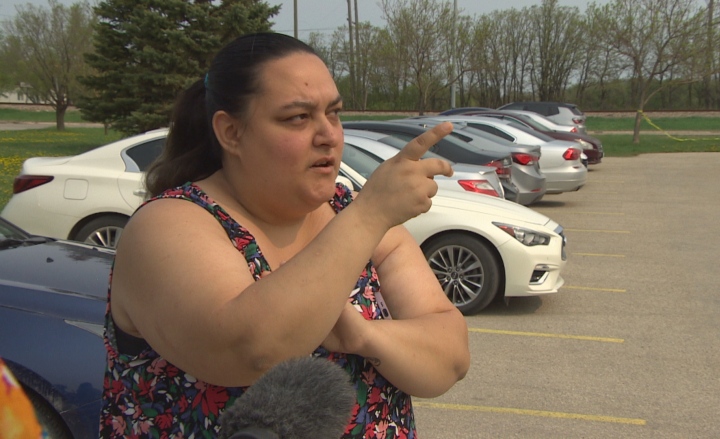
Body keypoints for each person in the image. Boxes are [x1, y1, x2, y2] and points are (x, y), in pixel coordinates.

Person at [100, 32, 470, 438]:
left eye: (334, 112)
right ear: (231, 133)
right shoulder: (169, 223)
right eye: (298, 117)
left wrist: (362, 334)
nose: (328, 134)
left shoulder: (352, 216)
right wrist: (371, 214)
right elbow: (248, 350)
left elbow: (449, 360)